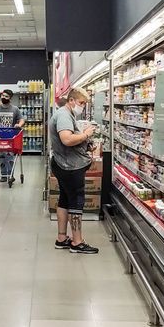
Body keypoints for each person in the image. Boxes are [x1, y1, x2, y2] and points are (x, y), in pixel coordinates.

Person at [48, 87, 99, 254]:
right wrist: (86, 135)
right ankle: (77, 242)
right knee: (76, 202)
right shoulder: (64, 115)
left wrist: (85, 144)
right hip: (70, 167)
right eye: (81, 103)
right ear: (71, 100)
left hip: (63, 164)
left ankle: (61, 238)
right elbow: (67, 139)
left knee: (64, 200)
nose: (82, 106)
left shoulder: (66, 114)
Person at [0, 89, 24, 181]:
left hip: (11, 138)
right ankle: (3, 175)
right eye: (3, 96)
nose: (4, 97)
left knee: (10, 156)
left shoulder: (15, 109)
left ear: (10, 99)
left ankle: (10, 174)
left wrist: (19, 125)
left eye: (6, 96)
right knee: (2, 156)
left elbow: (22, 119)